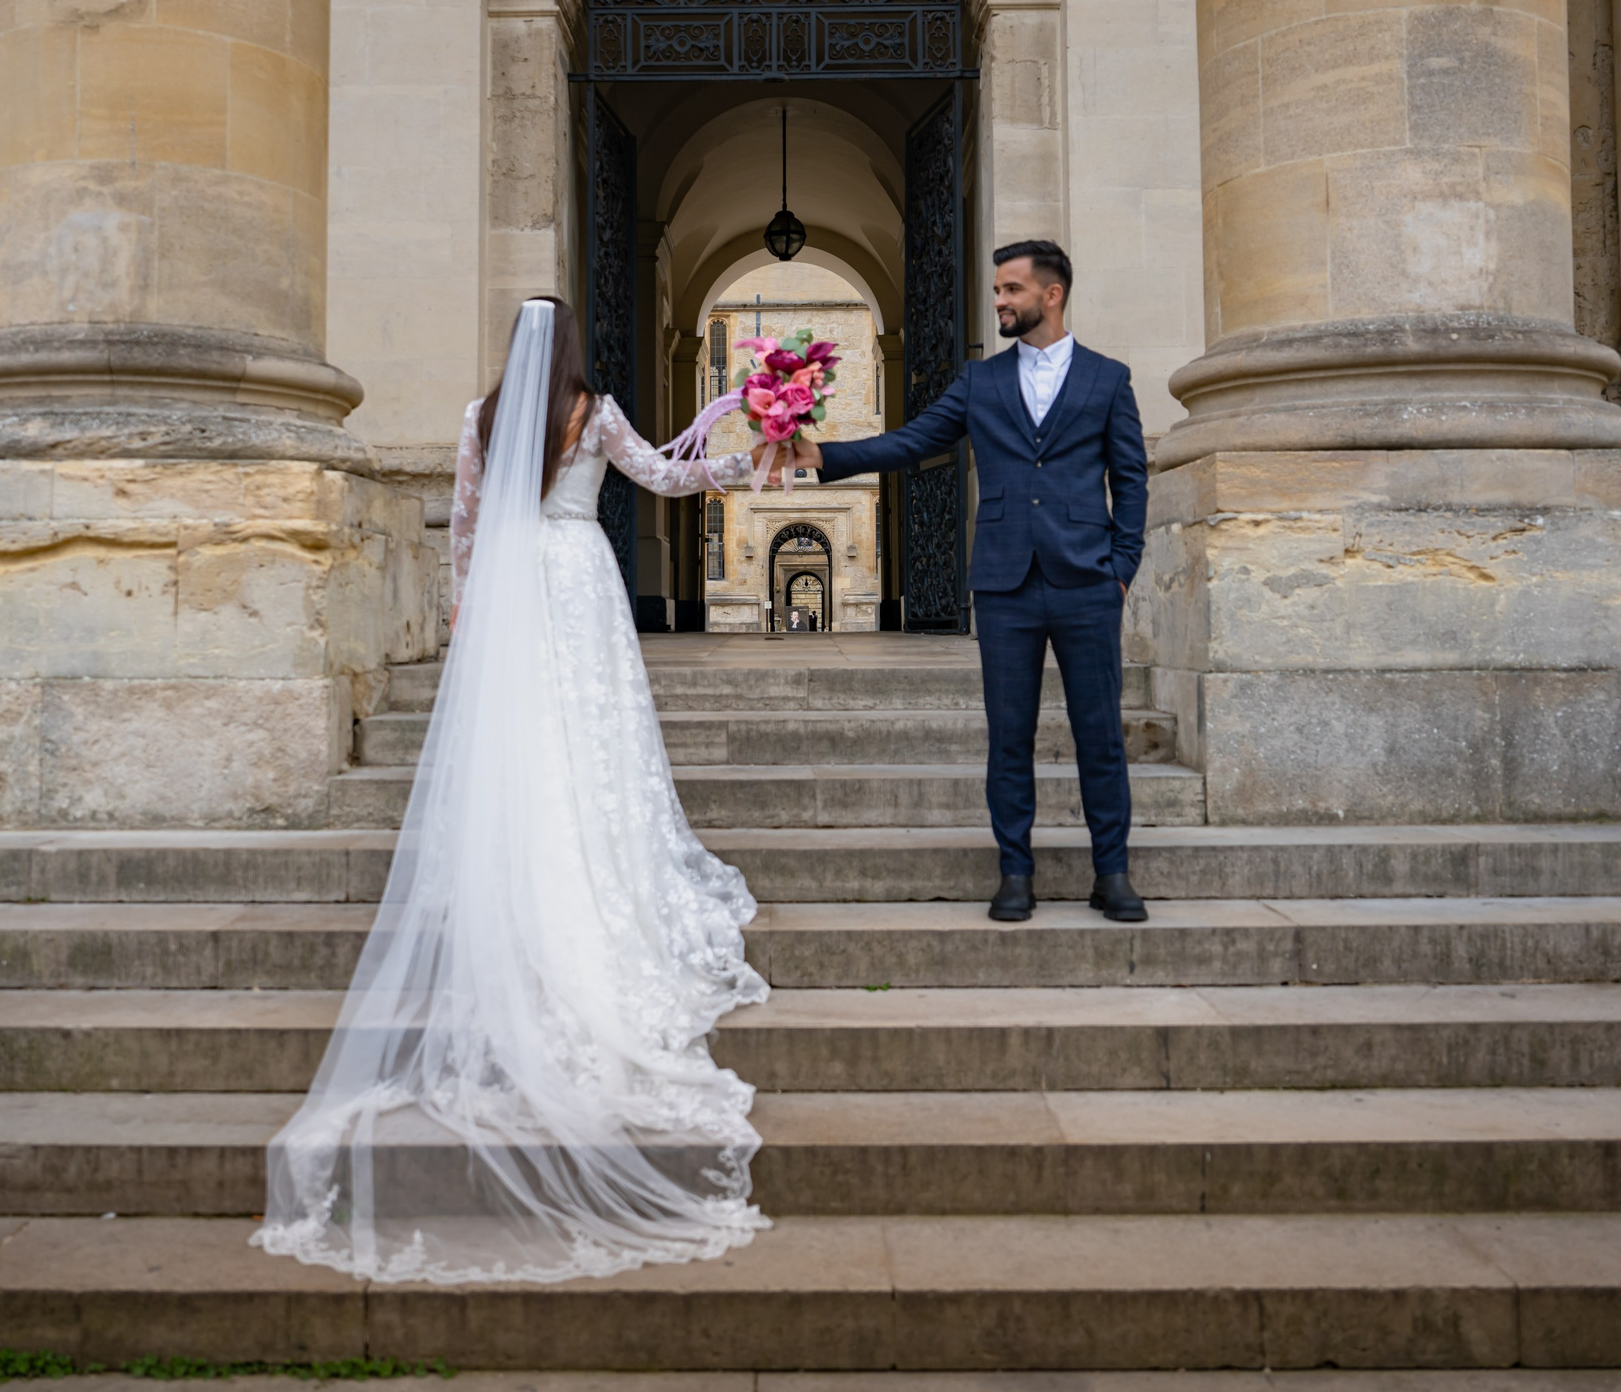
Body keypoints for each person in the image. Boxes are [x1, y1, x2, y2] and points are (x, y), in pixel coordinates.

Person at [254, 296, 771, 1285]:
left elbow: (468, 519)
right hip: (577, 575)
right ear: (573, 345)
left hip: (512, 582)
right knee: (592, 727)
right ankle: (593, 864)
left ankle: (521, 869)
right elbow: (664, 475)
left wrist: (466, 607)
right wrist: (745, 465)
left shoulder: (479, 418)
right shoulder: (596, 412)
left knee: (524, 731)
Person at [767, 241, 1149, 923]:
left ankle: (1112, 872)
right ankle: (1015, 872)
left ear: (1052, 294)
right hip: (1004, 584)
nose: (998, 300)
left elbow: (1131, 479)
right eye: (997, 289)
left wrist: (1121, 570)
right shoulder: (980, 382)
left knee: (1100, 734)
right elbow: (913, 441)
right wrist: (822, 454)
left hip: (1087, 581)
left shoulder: (1108, 378)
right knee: (1009, 736)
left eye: (1010, 289)